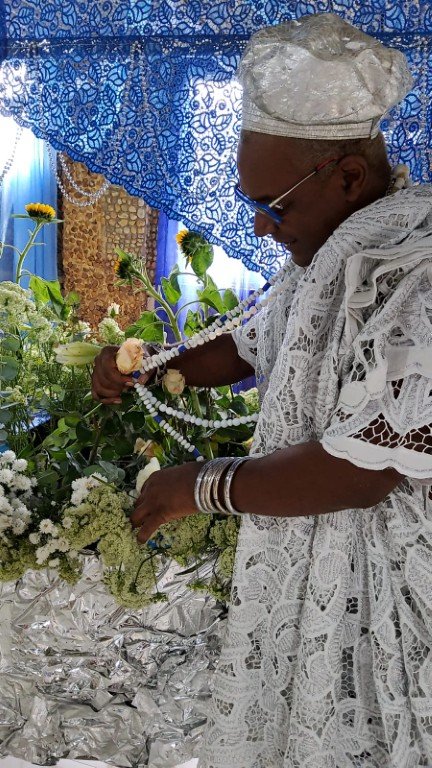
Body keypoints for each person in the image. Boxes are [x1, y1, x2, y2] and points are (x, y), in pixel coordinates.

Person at [92, 13, 432, 767]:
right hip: (320, 556)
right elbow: (252, 345)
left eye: (275, 205)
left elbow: (365, 467)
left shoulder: (416, 271)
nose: (261, 227)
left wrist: (200, 486)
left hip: (397, 587)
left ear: (349, 177)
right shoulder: (332, 250)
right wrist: (148, 366)